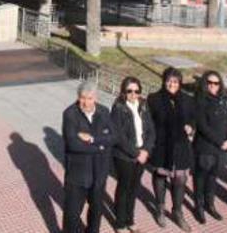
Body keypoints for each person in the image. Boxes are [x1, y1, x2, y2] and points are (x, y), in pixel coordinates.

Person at [62, 81, 115, 233]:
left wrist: (92, 139)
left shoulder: (104, 111)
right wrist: (101, 146)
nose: (86, 102)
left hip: (99, 173)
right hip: (77, 175)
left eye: (90, 98)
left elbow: (114, 137)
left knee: (96, 213)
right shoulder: (70, 114)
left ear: (96, 98)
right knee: (71, 216)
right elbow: (73, 144)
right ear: (78, 97)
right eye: (82, 98)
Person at [147, 68, 195, 232]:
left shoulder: (188, 99)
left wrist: (191, 127)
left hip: (181, 146)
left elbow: (193, 118)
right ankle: (160, 208)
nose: (172, 84)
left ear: (180, 83)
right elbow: (149, 123)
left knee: (180, 180)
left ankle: (177, 211)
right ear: (164, 81)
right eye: (169, 80)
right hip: (161, 146)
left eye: (175, 81)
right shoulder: (154, 99)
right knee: (160, 176)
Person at [111, 76, 155, 233]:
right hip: (124, 156)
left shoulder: (143, 106)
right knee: (124, 188)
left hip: (142, 154)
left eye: (136, 91)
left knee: (134, 188)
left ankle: (130, 219)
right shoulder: (118, 108)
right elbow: (119, 136)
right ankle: (120, 223)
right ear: (123, 91)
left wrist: (146, 150)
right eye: (129, 91)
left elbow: (150, 130)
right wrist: (136, 153)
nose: (133, 94)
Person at [192, 70, 227, 225]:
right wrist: (219, 141)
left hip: (219, 148)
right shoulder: (200, 100)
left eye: (216, 83)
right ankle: (199, 207)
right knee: (200, 178)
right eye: (209, 82)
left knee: (212, 178)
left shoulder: (221, 99)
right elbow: (202, 125)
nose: (213, 86)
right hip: (205, 147)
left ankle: (210, 205)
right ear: (204, 83)